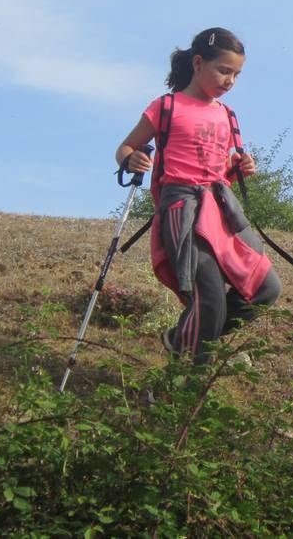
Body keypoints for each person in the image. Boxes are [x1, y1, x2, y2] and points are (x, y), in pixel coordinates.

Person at [115, 28, 281, 365]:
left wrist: (238, 168)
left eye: (236, 74)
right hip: (182, 207)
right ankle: (187, 386)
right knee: (210, 299)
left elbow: (219, 170)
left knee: (266, 287)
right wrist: (131, 159)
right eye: (223, 70)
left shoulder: (227, 115)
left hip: (220, 208)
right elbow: (125, 147)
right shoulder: (166, 107)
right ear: (197, 63)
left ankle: (182, 339)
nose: (230, 80)